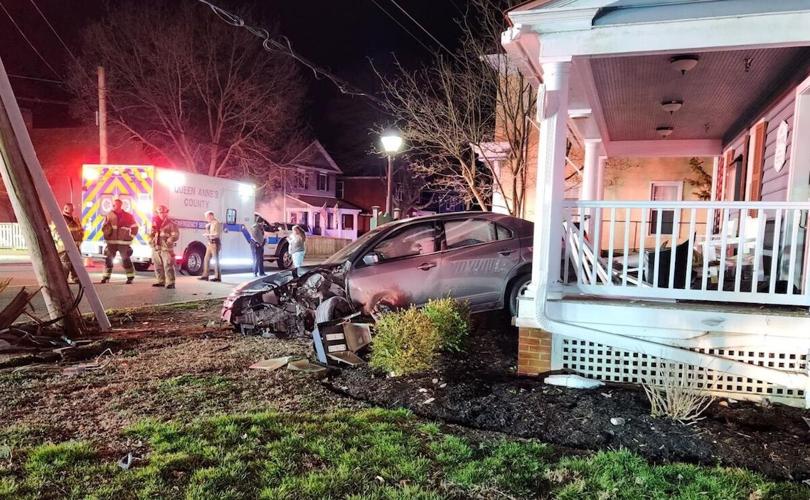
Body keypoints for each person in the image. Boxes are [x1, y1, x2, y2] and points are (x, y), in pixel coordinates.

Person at [101, 199, 139, 284]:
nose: (114, 206)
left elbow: (135, 227)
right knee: (108, 259)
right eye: (113, 205)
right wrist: (106, 236)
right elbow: (104, 227)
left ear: (120, 205)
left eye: (115, 205)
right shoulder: (109, 215)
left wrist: (131, 237)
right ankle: (106, 277)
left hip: (124, 242)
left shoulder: (128, 216)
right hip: (111, 242)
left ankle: (130, 277)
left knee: (125, 259)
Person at [51, 203, 84, 284]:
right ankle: (62, 281)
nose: (72, 210)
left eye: (72, 209)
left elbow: (80, 231)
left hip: (75, 246)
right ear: (65, 208)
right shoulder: (58, 219)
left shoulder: (75, 220)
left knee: (77, 263)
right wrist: (63, 242)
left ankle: (76, 278)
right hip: (64, 247)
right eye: (71, 209)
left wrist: (80, 239)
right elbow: (55, 233)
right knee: (65, 264)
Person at [149, 205, 179, 289]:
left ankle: (171, 282)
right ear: (157, 213)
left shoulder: (171, 224)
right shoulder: (154, 223)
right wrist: (150, 241)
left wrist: (171, 239)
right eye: (160, 212)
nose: (162, 214)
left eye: (163, 212)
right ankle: (161, 281)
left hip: (166, 248)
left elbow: (176, 235)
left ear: (166, 213)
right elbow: (151, 234)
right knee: (157, 265)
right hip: (156, 247)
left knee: (168, 265)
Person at [199, 210, 222, 281]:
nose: (206, 219)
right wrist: (207, 230)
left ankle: (217, 277)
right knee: (206, 259)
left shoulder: (216, 223)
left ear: (211, 216)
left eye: (207, 217)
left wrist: (208, 235)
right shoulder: (210, 224)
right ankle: (205, 275)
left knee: (216, 260)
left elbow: (217, 234)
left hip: (215, 243)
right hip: (210, 244)